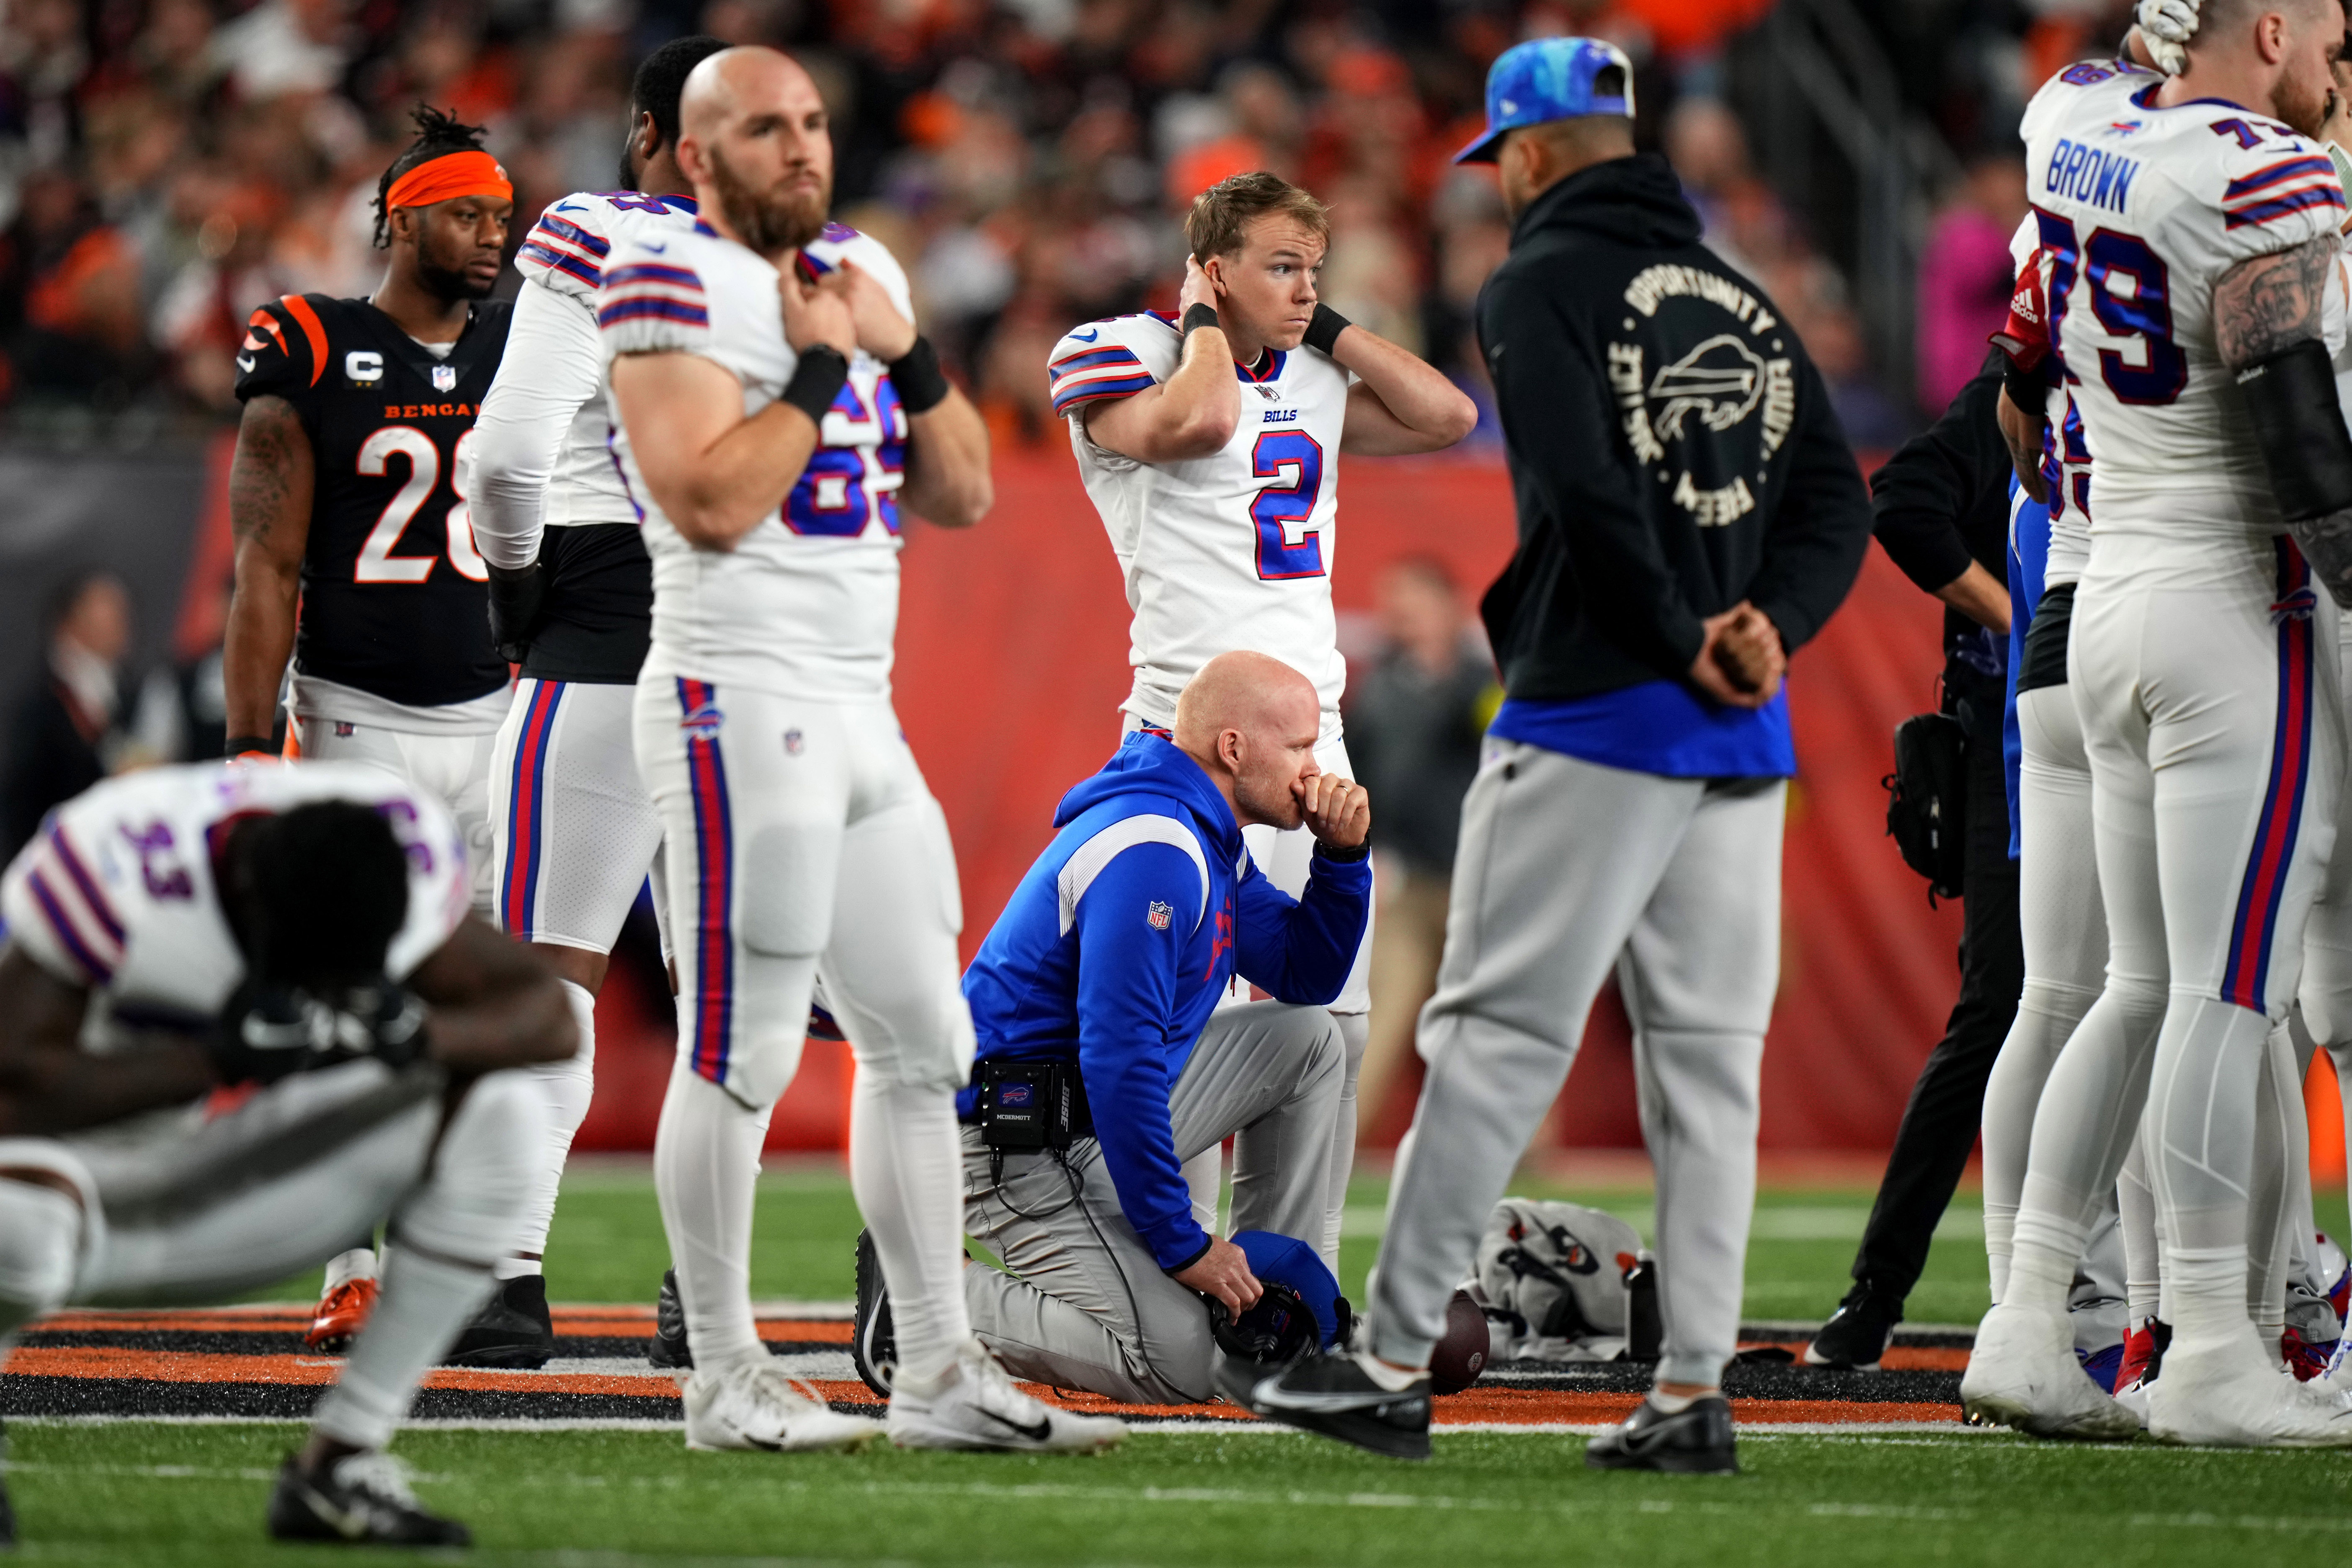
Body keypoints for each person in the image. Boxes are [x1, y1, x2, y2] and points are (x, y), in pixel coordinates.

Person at [1227, 36, 1872, 1470]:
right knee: (1709, 1066)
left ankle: (1390, 1361)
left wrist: (1669, 628)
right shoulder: (1743, 296)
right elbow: (1836, 501)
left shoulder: (1533, 282)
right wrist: (1766, 625)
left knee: (1491, 1036)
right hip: (1740, 733)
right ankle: (1690, 1388)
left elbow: (1580, 485)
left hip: (1595, 707)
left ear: (1520, 156)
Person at [602, 45, 1077, 1456]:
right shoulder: (664, 276)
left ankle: (937, 1367)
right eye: (763, 129)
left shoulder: (865, 265)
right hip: (730, 691)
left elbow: (970, 488)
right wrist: (820, 359)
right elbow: (704, 498)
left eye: (811, 122)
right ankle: (723, 1375)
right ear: (697, 155)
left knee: (926, 1040)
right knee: (740, 1050)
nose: (800, 148)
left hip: (859, 706)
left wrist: (900, 347)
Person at [1962, 0, 2352, 1447]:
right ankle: (2206, 1342)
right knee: (2220, 990)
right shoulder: (2265, 175)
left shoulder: (2071, 121)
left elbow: (2014, 374)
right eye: (2323, 26)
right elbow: (2299, 437)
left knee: (2129, 987)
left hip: (2096, 580)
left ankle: (2019, 1322)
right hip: (2224, 603)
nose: (2334, 55)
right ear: (2265, 27)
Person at [1048, 170, 1475, 1277]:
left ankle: (1293, 1278)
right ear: (1213, 264)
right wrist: (1201, 318)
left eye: (1315, 270)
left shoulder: (1316, 368)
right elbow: (1196, 422)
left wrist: (1323, 324)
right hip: (1181, 744)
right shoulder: (1121, 351)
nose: (1303, 292)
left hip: (1311, 739)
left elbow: (1451, 416)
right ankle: (1169, 1267)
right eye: (1281, 268)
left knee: (1327, 1026)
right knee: (1184, 1022)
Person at [0, 760, 572, 1546]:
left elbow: (549, 1015)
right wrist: (207, 1060)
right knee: (16, 1226)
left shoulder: (393, 849)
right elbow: (13, 1084)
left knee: (504, 1110)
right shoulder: (114, 859)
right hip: (83, 1190)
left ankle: (339, 1463)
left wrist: (416, 1032)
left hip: (247, 1176)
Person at [219, 105, 516, 1355]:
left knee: (504, 1003)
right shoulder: (312, 346)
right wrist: (246, 751)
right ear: (402, 222)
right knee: (354, 996)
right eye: (467, 214)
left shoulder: (524, 351)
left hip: (502, 712)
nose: (493, 237)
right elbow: (263, 565)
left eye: (504, 215)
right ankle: (351, 1263)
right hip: (355, 716)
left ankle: (493, 1255)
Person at [460, 32, 729, 1369]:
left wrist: (517, 594)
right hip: (754, 644)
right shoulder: (821, 258)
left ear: (647, 135)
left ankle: (501, 1276)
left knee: (542, 971)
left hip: (607, 613)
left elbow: (508, 455)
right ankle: (707, 1299)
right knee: (728, 990)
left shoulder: (599, 231)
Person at [907, 652, 1372, 1404]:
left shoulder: (1204, 827)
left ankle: (1261, 1310)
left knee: (1309, 1038)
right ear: (1234, 747)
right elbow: (1120, 1060)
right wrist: (1184, 1246)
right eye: (1298, 746)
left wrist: (1343, 860)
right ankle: (916, 1301)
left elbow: (1304, 972)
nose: (1312, 767)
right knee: (1179, 1364)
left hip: (1078, 1117)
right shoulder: (1155, 849)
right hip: (1010, 1143)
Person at [1803, 348, 2023, 1369]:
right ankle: (1881, 1286)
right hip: (2017, 731)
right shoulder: (2030, 376)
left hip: (2117, 719)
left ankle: (2154, 1284)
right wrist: (2024, 621)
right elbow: (1903, 500)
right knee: (2011, 1000)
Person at [1344, 558, 1493, 1139]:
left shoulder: (1479, 683)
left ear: (1450, 608)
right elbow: (1357, 769)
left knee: (1489, 1022)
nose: (1401, 617)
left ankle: (1527, 1148)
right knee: (1379, 1017)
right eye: (1395, 605)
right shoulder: (1381, 686)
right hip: (1404, 882)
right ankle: (1339, 1141)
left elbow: (1508, 754)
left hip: (1474, 884)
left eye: (1414, 603)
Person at [1, 571, 132, 862]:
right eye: (109, 610)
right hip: (54, 860)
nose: (123, 621)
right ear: (71, 621)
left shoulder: (125, 693)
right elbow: (22, 801)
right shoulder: (41, 703)